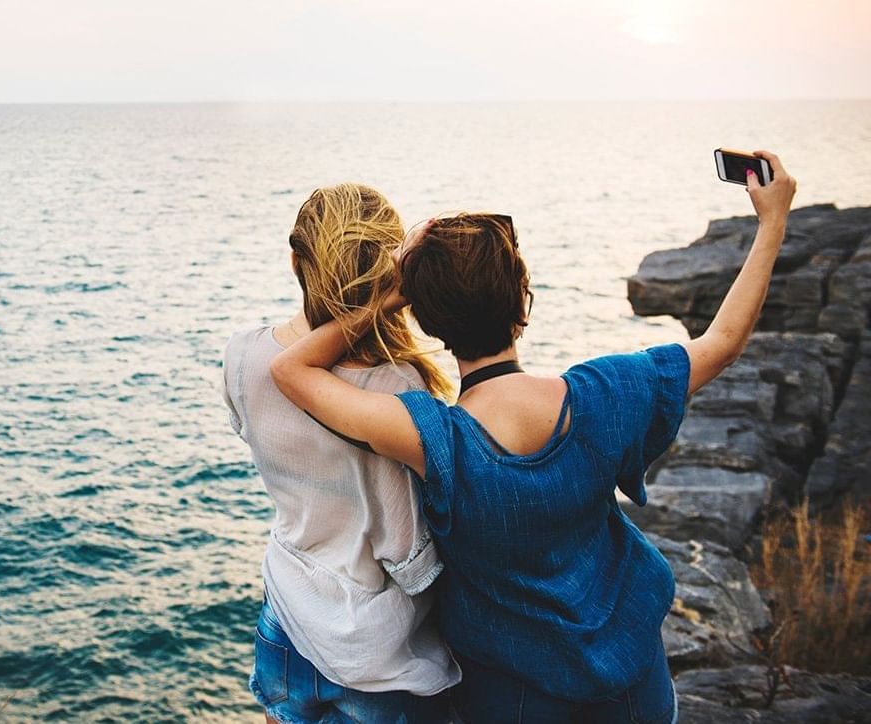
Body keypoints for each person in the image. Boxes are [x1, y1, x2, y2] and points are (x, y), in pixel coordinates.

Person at [269, 153, 797, 723]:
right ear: (522, 299)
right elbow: (722, 341)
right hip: (631, 680)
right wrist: (771, 223)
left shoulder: (433, 438)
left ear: (430, 321)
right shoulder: (605, 395)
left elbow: (292, 371)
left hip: (511, 698)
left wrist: (389, 299)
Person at [222, 183, 461, 724]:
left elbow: (250, 425)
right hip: (375, 651)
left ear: (296, 261)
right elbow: (408, 552)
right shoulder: (395, 387)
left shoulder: (243, 356)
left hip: (284, 612)